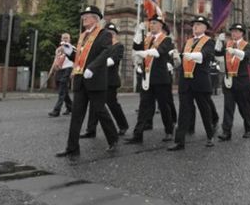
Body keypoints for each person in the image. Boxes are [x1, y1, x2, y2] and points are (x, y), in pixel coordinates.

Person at [56, 5, 118, 157]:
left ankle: (113, 138)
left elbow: (105, 53)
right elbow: (81, 57)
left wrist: (92, 68)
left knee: (100, 111)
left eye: (87, 15)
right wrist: (71, 52)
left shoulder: (104, 34)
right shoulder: (83, 36)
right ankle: (72, 148)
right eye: (83, 15)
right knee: (76, 114)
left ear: (96, 19)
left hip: (95, 79)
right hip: (80, 80)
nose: (84, 18)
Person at [168, 16, 216, 151]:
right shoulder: (188, 41)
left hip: (200, 82)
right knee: (183, 112)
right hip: (186, 81)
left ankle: (210, 136)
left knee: (205, 111)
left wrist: (190, 56)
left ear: (205, 28)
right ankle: (179, 142)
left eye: (199, 24)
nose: (195, 26)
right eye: (194, 24)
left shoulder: (209, 42)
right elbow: (182, 61)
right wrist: (176, 60)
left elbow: (205, 55)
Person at [125, 15, 175, 144]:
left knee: (164, 106)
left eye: (154, 23)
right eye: (150, 23)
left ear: (160, 25)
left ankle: (169, 130)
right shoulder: (147, 38)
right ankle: (138, 134)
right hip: (147, 77)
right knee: (144, 106)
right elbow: (137, 48)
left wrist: (146, 53)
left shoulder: (166, 39)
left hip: (160, 79)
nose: (151, 25)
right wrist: (137, 33)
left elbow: (159, 52)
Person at [80, 23, 129, 138]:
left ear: (116, 35)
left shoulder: (118, 46)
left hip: (111, 81)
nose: (110, 35)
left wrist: (96, 65)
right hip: (98, 79)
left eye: (112, 33)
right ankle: (91, 130)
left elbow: (113, 60)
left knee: (112, 104)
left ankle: (123, 125)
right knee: (94, 105)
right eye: (108, 33)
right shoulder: (101, 45)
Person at [214, 23, 250, 141]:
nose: (233, 33)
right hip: (229, 80)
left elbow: (246, 56)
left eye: (236, 31)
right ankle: (226, 132)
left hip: (241, 81)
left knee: (244, 106)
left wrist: (235, 51)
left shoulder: (247, 45)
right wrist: (218, 42)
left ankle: (248, 127)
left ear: (242, 33)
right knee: (228, 107)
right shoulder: (228, 44)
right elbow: (217, 54)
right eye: (232, 31)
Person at [48, 33, 75, 117]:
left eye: (67, 38)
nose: (65, 39)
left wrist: (73, 72)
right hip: (60, 70)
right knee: (64, 91)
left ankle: (56, 111)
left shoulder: (72, 48)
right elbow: (55, 60)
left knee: (62, 91)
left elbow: (76, 60)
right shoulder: (58, 49)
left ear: (70, 40)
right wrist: (51, 71)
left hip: (68, 69)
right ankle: (71, 107)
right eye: (63, 38)